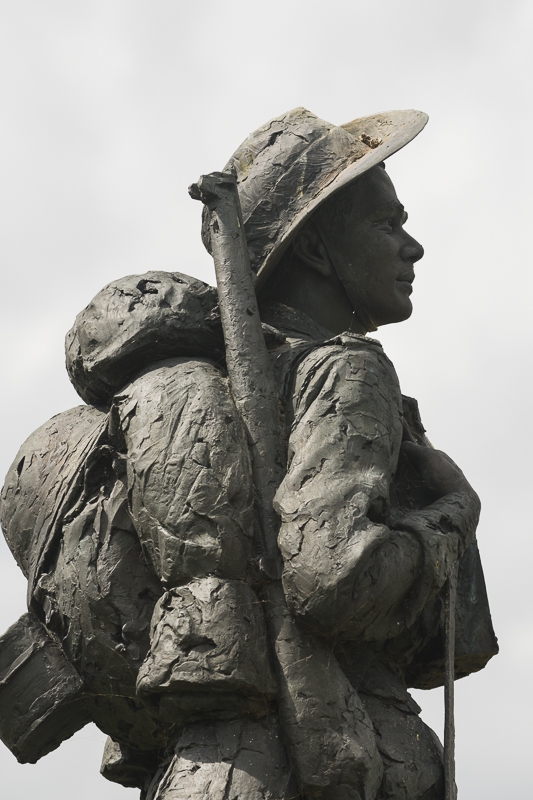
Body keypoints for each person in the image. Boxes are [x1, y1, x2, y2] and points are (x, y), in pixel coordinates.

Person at [0, 108, 497, 800]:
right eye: (386, 225)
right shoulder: (345, 372)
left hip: (201, 771)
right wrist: (449, 516)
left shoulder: (221, 385)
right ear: (318, 251)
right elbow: (333, 581)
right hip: (337, 759)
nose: (411, 248)